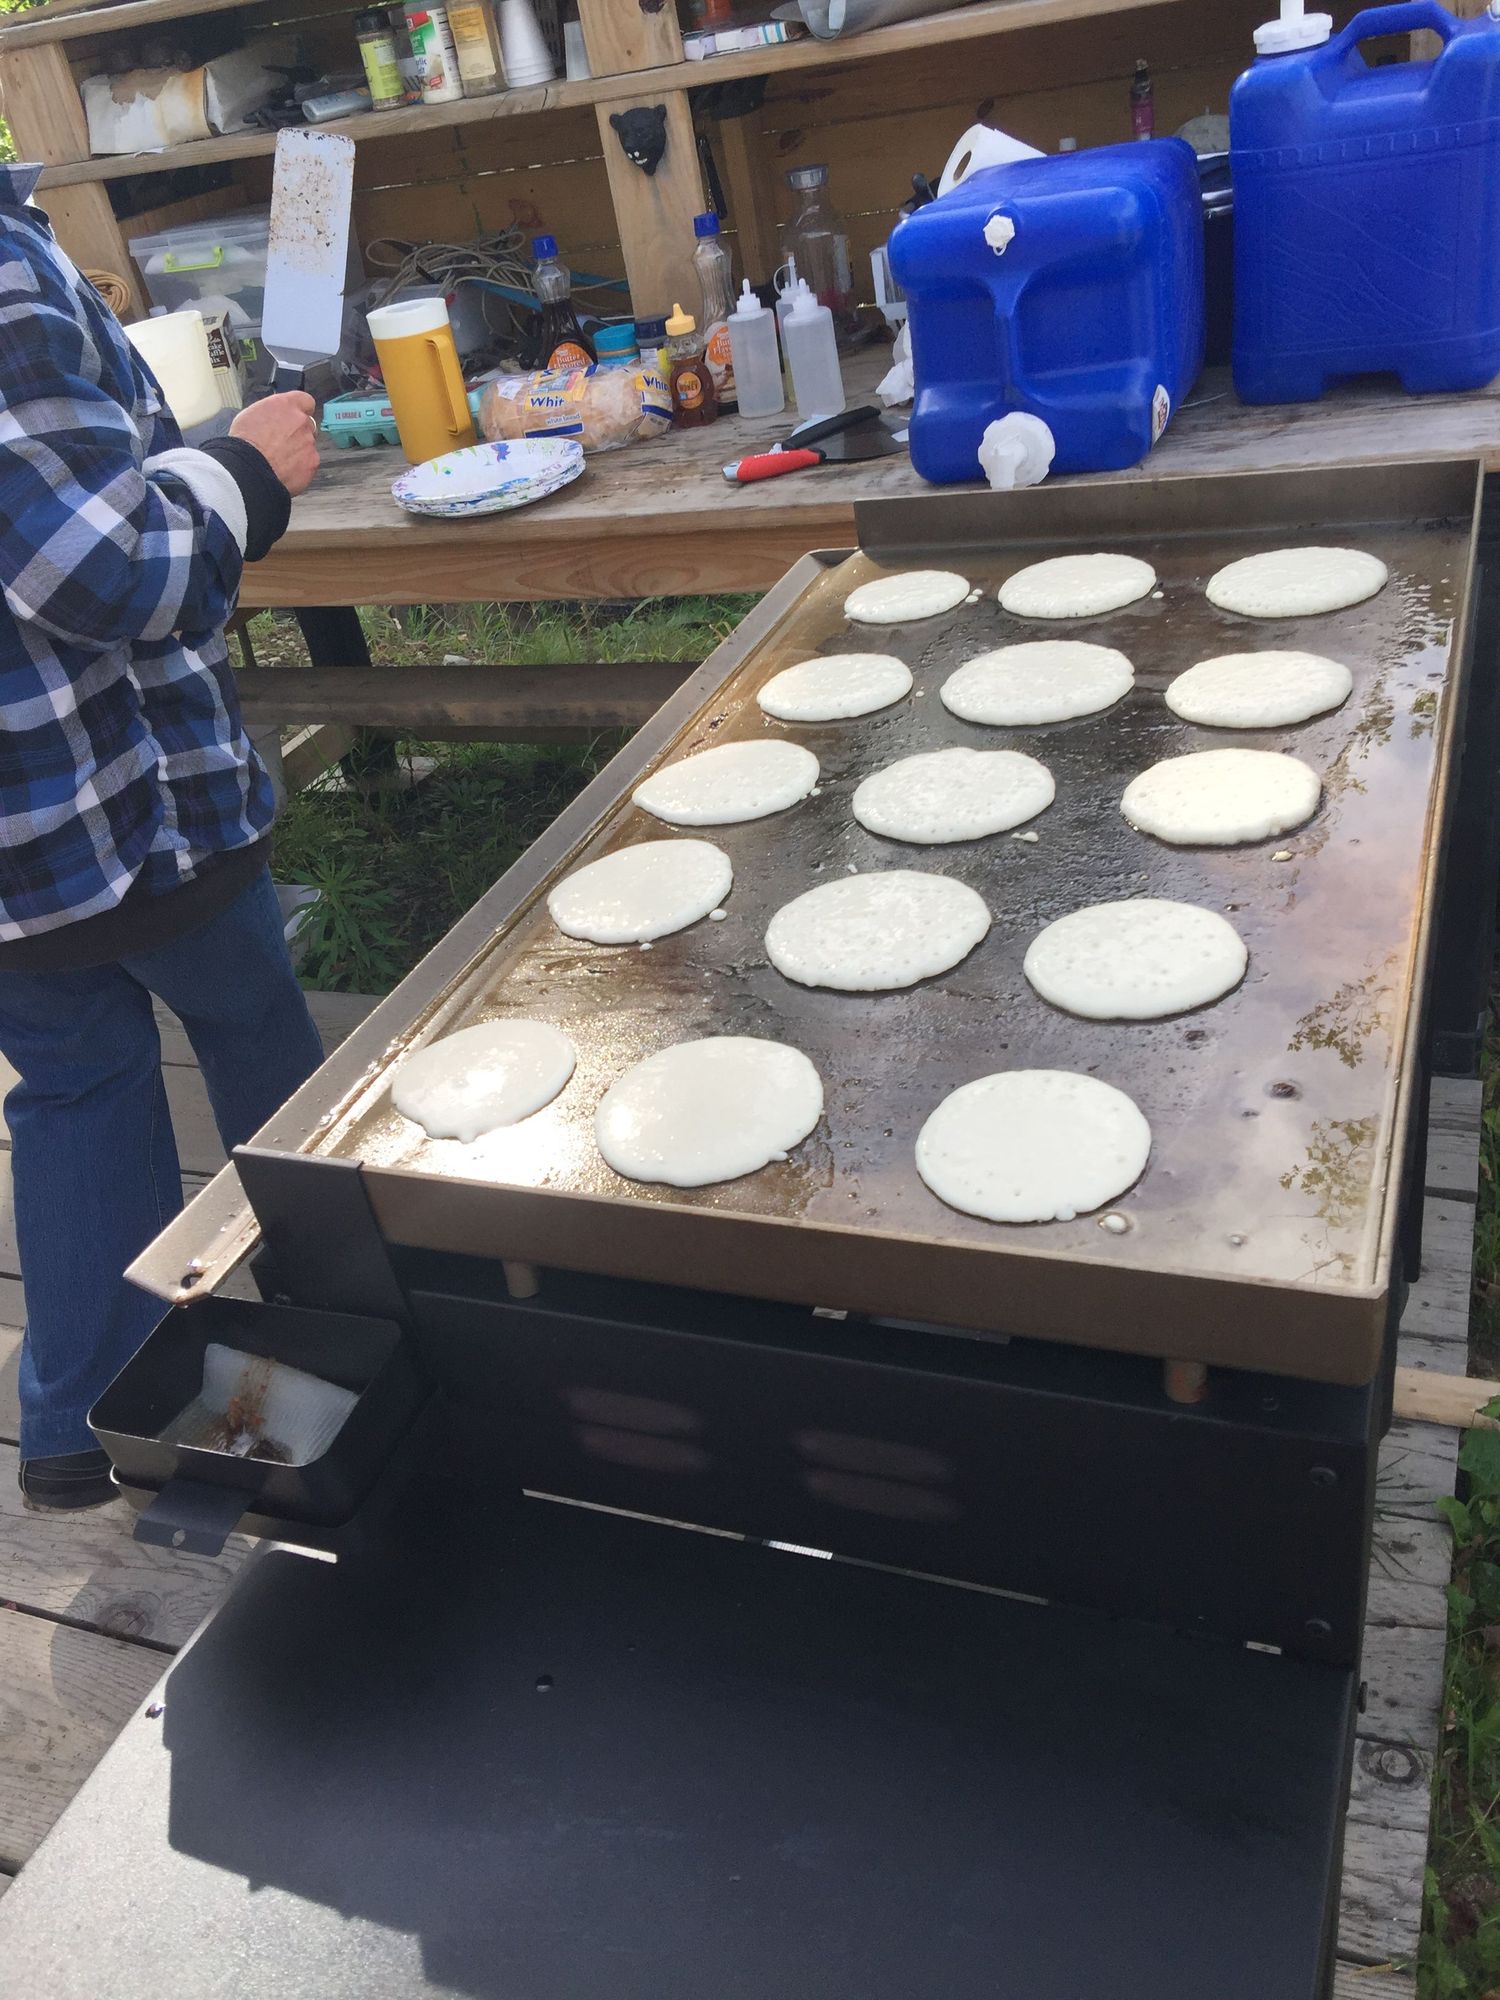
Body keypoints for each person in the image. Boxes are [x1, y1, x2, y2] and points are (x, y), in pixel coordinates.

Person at [0, 159, 327, 1509]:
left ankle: (82, 1427)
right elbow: (106, 569)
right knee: (262, 1049)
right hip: (124, 812)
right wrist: (244, 475)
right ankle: (334, 1339)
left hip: (16, 858)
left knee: (79, 1089)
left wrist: (175, 459)